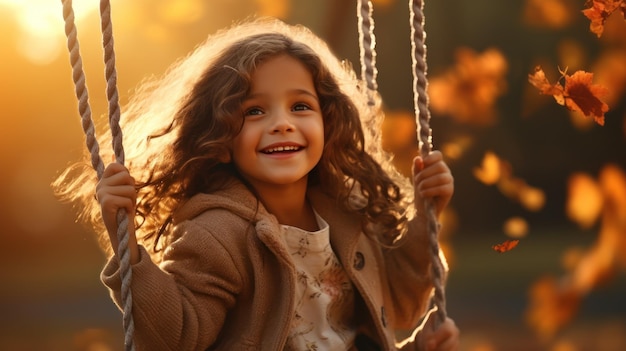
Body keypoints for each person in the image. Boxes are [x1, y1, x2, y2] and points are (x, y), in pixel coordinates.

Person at [54, 17, 458, 350]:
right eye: (255, 111)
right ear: (222, 139)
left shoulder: (344, 213)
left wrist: (427, 215)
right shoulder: (218, 233)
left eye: (300, 106)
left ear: (327, 124)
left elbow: (400, 305)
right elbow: (179, 336)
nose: (282, 123)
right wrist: (127, 246)